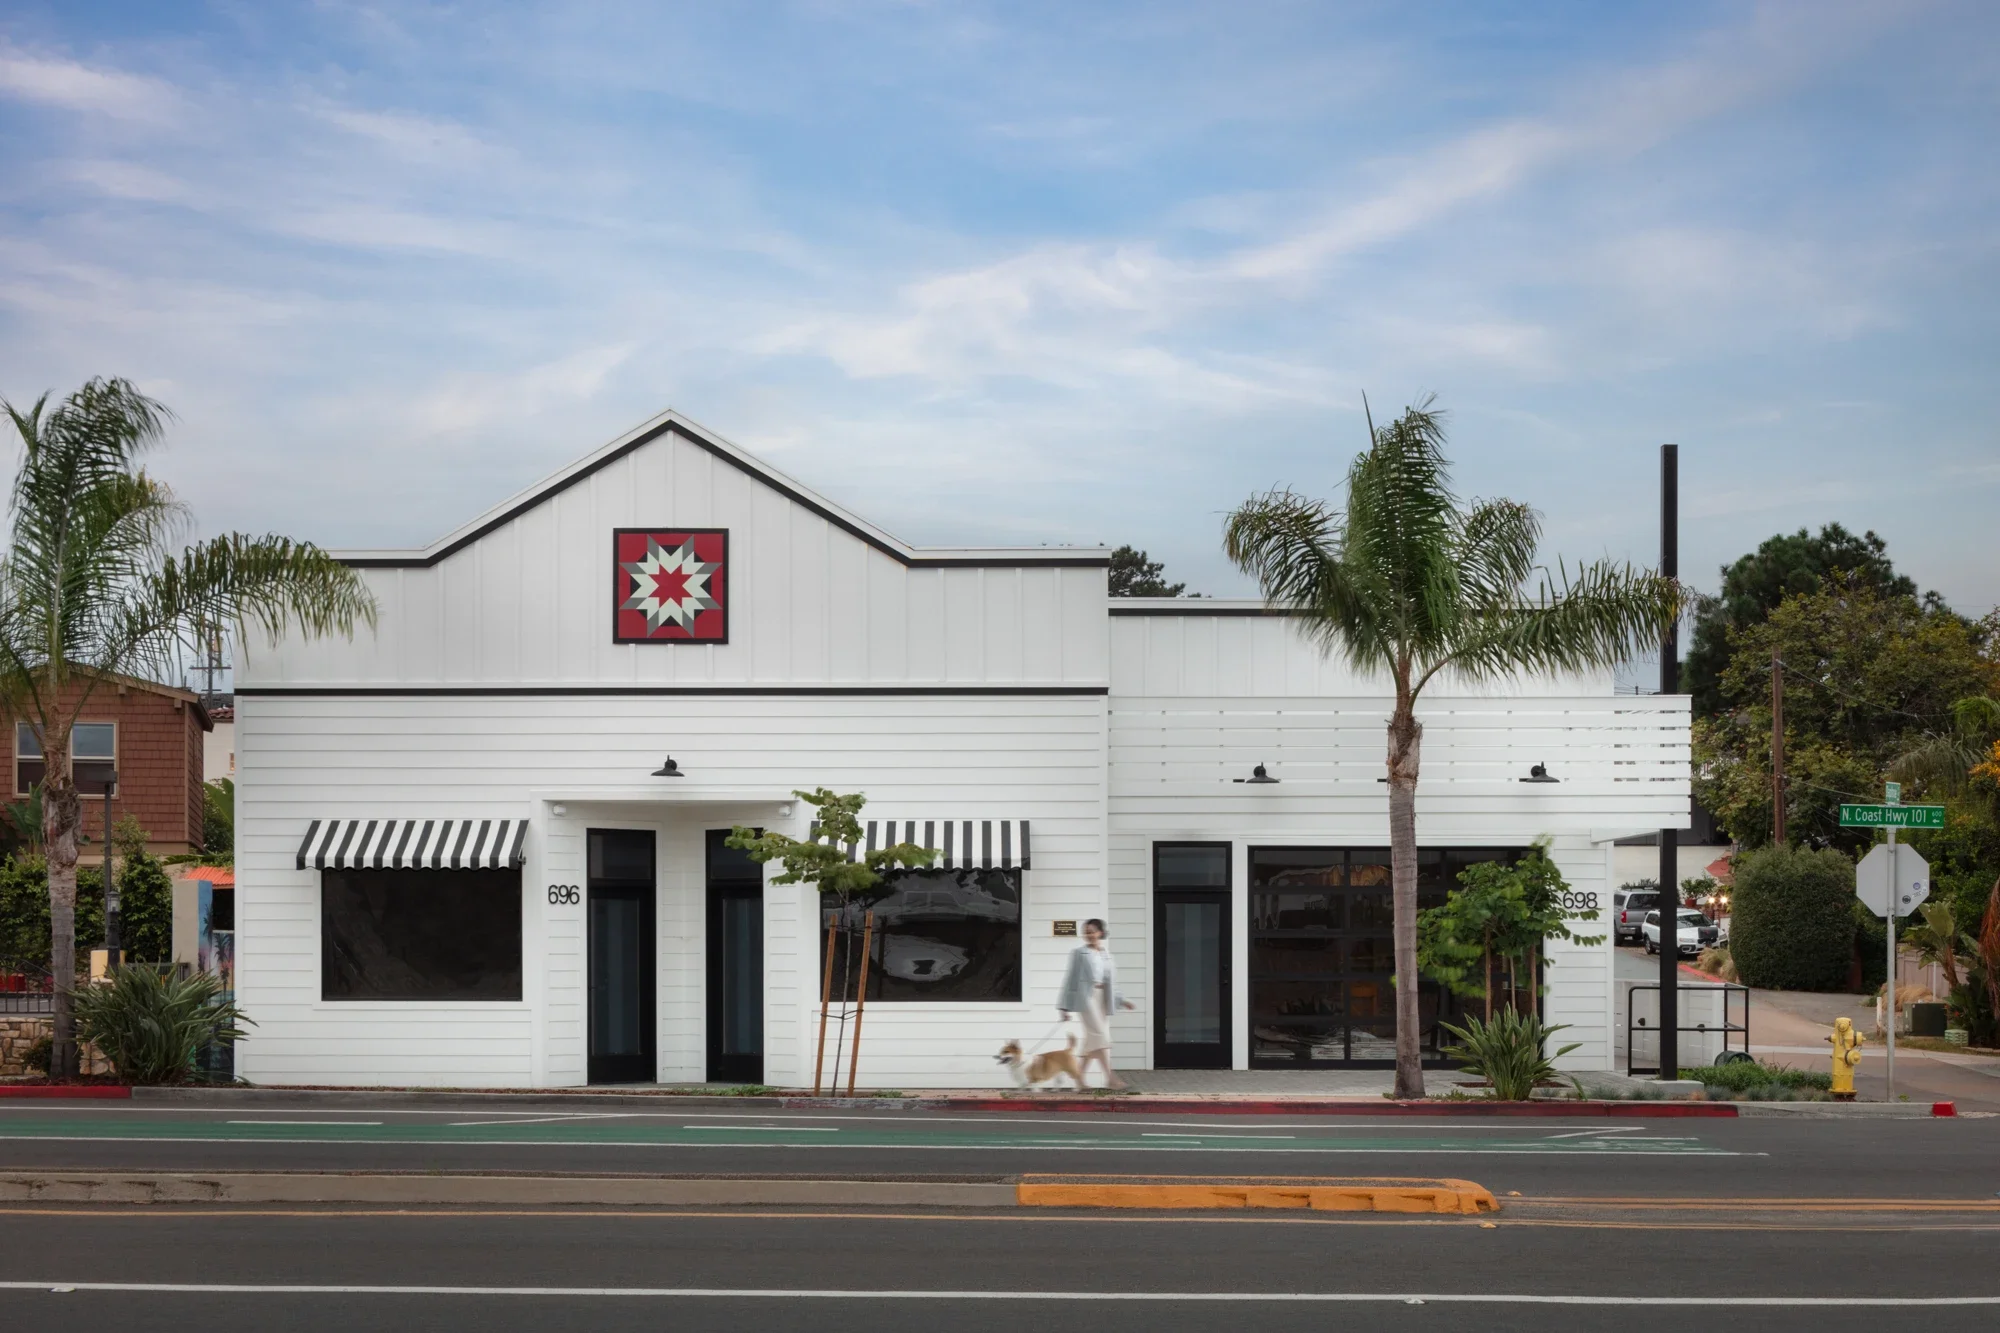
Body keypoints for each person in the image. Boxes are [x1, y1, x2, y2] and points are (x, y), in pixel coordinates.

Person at [1057, 918, 1136, 1090]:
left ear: (1100, 932)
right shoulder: (1079, 953)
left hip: (1102, 999)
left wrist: (1122, 1001)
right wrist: (1064, 1006)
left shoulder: (1107, 955)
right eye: (1085, 932)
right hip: (1086, 998)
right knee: (1100, 1036)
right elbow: (1070, 979)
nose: (1088, 935)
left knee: (1093, 1040)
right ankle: (1110, 1078)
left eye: (1091, 931)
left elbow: (1112, 982)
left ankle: (1079, 1080)